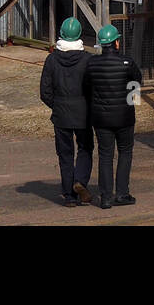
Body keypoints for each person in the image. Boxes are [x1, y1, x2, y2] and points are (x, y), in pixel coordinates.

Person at [84, 23, 143, 209]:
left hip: (101, 118)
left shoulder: (92, 63)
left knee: (105, 155)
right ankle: (122, 193)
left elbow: (86, 87)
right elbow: (136, 83)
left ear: (102, 44)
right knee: (125, 153)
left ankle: (106, 196)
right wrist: (128, 100)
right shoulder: (127, 62)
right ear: (116, 43)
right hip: (125, 117)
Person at [39, 17, 94, 207]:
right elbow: (94, 88)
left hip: (61, 114)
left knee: (65, 154)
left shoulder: (51, 59)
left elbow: (44, 92)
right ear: (79, 35)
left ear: (61, 34)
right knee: (86, 149)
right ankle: (80, 181)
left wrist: (57, 105)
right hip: (83, 113)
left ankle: (69, 196)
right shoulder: (88, 59)